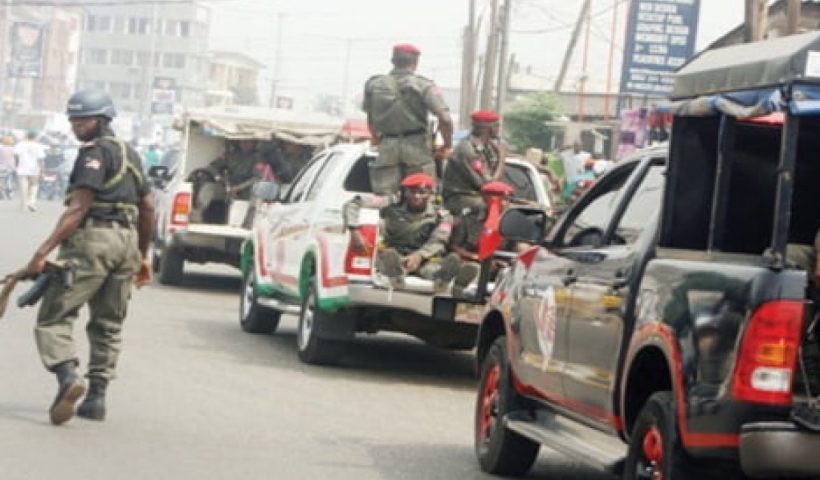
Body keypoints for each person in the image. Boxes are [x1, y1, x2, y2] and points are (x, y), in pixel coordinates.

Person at [22, 89, 155, 425]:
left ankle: (69, 377)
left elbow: (78, 209)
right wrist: (141, 254)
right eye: (73, 119)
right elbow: (148, 207)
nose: (76, 125)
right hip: (126, 242)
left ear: (103, 120)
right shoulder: (133, 155)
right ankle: (96, 399)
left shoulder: (93, 154)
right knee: (109, 323)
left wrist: (41, 253)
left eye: (83, 119)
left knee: (54, 317)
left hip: (93, 240)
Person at [343, 173, 478, 294]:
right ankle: (396, 276)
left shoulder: (442, 215)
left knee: (433, 269)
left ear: (430, 194)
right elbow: (354, 202)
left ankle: (447, 279)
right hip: (396, 254)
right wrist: (354, 231)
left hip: (426, 258)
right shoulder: (391, 203)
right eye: (412, 192)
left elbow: (439, 239)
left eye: (422, 192)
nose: (416, 196)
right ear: (404, 192)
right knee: (389, 258)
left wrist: (419, 256)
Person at [362, 43, 453, 195]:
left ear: (392, 60)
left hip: (387, 146)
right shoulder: (424, 85)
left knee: (385, 198)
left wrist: (376, 139)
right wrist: (447, 145)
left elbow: (371, 119)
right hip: (417, 147)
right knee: (421, 197)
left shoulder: (374, 85)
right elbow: (445, 118)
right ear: (415, 63)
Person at [441, 110, 505, 216]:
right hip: (459, 198)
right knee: (493, 207)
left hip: (476, 196)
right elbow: (489, 185)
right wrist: (502, 159)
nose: (498, 129)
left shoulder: (487, 148)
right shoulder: (467, 149)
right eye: (497, 125)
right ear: (489, 128)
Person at [192, 139, 263, 223]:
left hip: (246, 191)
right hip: (227, 188)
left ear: (254, 144)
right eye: (244, 141)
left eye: (249, 142)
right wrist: (218, 177)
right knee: (210, 190)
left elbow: (256, 178)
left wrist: (238, 188)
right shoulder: (231, 154)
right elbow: (212, 167)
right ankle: (199, 215)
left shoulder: (257, 158)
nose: (246, 144)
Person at [14, 128, 46, 211]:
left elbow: (16, 156)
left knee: (23, 187)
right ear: (35, 136)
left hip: (22, 168)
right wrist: (42, 170)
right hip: (34, 169)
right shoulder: (38, 146)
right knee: (34, 186)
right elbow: (40, 159)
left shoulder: (20, 144)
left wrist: (17, 164)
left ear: (27, 135)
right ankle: (31, 202)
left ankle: (24, 204)